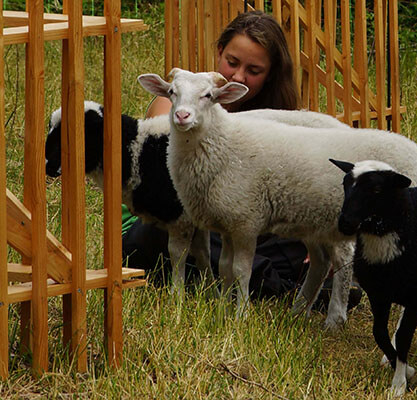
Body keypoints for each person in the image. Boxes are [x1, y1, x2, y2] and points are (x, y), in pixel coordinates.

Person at [125, 11, 354, 307]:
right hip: (179, 218)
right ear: (219, 51)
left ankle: (276, 278)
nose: (238, 76)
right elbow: (166, 182)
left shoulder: (274, 120)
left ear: (270, 73)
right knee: (179, 238)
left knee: (276, 238)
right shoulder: (180, 98)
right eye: (232, 62)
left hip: (250, 219)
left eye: (254, 70)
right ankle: (272, 283)